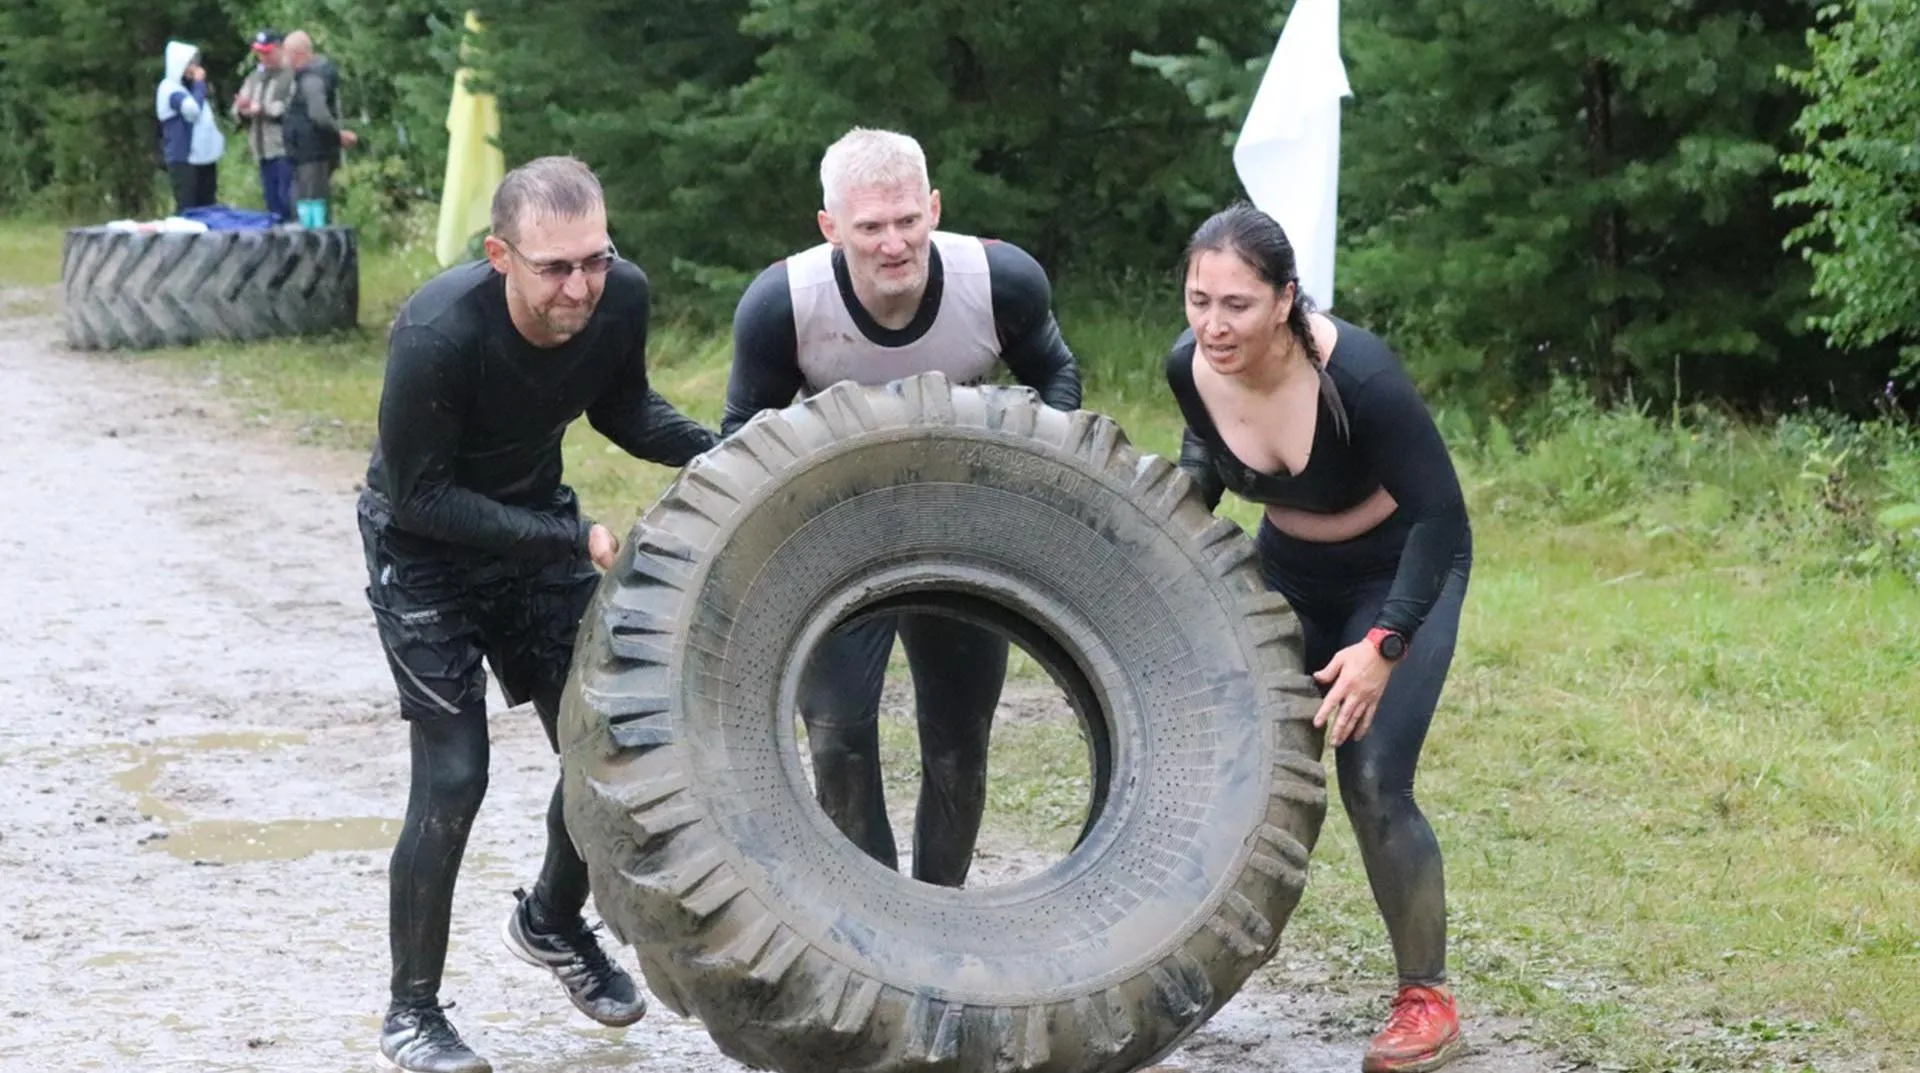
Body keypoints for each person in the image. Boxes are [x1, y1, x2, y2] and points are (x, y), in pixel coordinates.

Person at [357, 155, 719, 1073]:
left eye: (595, 259)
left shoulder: (618, 297)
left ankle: (552, 919)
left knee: (606, 752)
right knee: (454, 776)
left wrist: (723, 453)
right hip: (423, 553)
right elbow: (419, 497)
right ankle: (412, 1013)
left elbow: (624, 407)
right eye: (555, 267)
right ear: (499, 256)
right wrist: (570, 537)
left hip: (533, 534)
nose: (581, 287)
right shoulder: (439, 333)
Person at [722, 127, 1082, 888]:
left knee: (957, 743)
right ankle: (876, 913)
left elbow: (1058, 379)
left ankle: (938, 910)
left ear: (934, 207)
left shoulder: (1000, 280)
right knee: (838, 740)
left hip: (961, 528)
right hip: (838, 532)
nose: (894, 244)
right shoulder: (783, 303)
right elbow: (739, 443)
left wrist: (1031, 491)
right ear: (830, 229)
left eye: (909, 220)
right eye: (870, 227)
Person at [1164, 203, 1472, 1073]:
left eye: (1236, 304)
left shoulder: (1360, 377)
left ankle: (1427, 998)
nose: (1214, 325)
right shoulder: (1189, 364)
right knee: (1229, 750)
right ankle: (1177, 968)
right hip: (1291, 566)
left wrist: (1384, 643)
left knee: (1371, 775)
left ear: (1284, 300)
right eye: (1198, 300)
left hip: (1404, 569)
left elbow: (1441, 516)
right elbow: (1205, 451)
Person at [282, 30, 357, 228]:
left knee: (313, 207)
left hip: (313, 154)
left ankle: (319, 251)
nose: (286, 59)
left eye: (287, 54)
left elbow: (319, 115)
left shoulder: (312, 79)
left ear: (298, 54)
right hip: (303, 153)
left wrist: (337, 135)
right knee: (305, 205)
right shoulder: (305, 76)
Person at [231, 29, 296, 223]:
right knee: (271, 202)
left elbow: (289, 109)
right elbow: (238, 105)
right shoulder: (254, 77)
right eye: (259, 52)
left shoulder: (290, 76)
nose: (262, 57)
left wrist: (262, 109)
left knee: (287, 199)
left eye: (267, 52)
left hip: (283, 148)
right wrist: (242, 109)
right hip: (261, 150)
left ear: (279, 49)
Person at [155, 41, 221, 213]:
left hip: (202, 156)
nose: (194, 68)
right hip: (183, 157)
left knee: (207, 204)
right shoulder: (169, 89)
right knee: (187, 206)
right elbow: (191, 110)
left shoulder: (189, 88)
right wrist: (199, 84)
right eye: (189, 64)